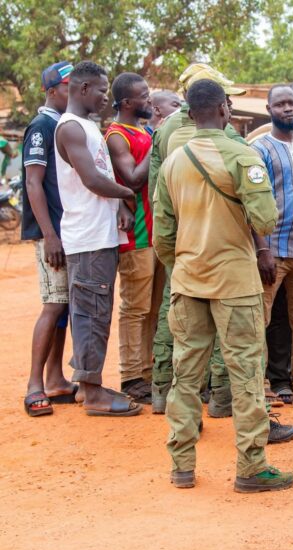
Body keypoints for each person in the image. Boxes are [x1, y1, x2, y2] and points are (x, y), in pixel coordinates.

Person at [154, 78, 292, 492]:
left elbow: (163, 235)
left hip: (188, 281)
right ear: (224, 110)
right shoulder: (242, 154)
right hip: (235, 282)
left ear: (191, 113)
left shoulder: (173, 161)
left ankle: (182, 466)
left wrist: (183, 266)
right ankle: (251, 468)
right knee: (246, 374)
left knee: (185, 375)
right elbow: (265, 220)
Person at [148, 63, 245, 415]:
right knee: (222, 324)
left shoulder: (166, 129)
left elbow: (156, 194)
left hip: (180, 242)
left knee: (173, 318)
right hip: (220, 242)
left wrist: (170, 251)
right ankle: (221, 396)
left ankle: (162, 391)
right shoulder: (225, 133)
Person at [54, 60, 140, 416]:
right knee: (91, 313)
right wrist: (126, 195)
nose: (107, 97)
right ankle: (91, 393)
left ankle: (90, 384)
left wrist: (117, 206)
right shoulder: (71, 128)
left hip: (100, 235)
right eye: (103, 90)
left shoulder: (88, 127)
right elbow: (91, 179)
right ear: (84, 89)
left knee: (98, 311)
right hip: (87, 238)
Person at [21, 61, 75, 417]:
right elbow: (33, 182)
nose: (72, 91)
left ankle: (56, 379)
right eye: (68, 86)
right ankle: (34, 386)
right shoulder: (41, 127)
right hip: (52, 233)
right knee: (53, 304)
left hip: (70, 232)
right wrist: (49, 234)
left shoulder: (62, 126)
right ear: (52, 89)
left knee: (65, 307)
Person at [251, 85, 293, 409]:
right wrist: (261, 249)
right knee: (259, 320)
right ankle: (258, 387)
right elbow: (251, 203)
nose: (288, 108)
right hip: (272, 247)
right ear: (269, 108)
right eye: (281, 104)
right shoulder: (259, 149)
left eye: (292, 103)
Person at [106, 72, 161, 404]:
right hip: (136, 234)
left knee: (154, 308)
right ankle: (130, 376)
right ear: (127, 103)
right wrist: (158, 145)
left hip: (157, 234)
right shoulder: (116, 136)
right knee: (135, 308)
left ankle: (150, 370)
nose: (149, 100)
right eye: (143, 95)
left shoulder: (146, 130)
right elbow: (131, 178)